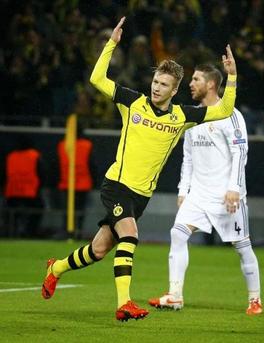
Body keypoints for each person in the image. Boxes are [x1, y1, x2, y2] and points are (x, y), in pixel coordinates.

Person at [41, 16, 238, 322]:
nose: (157, 88)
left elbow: (224, 110)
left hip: (141, 196)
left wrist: (232, 77)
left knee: (99, 249)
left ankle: (55, 269)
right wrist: (111, 44)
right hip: (116, 185)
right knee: (130, 236)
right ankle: (124, 304)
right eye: (156, 82)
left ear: (174, 91)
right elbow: (97, 79)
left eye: (164, 85)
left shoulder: (182, 116)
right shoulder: (132, 102)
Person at [148, 64, 262, 315]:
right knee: (177, 234)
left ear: (211, 84)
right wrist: (182, 190)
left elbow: (240, 151)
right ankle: (175, 295)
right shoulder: (193, 115)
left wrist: (234, 188)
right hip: (197, 195)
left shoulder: (230, 114)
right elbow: (187, 156)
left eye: (196, 79)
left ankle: (255, 300)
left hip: (226, 196)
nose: (191, 83)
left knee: (242, 247)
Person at [57, 126, 94, 239]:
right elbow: (92, 164)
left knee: (67, 211)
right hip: (83, 183)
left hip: (66, 183)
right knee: (80, 211)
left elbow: (56, 165)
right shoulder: (87, 145)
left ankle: (67, 232)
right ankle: (78, 232)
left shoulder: (62, 145)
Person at [3, 137, 44, 238]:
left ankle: (10, 233)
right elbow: (42, 173)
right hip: (30, 192)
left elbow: (4, 174)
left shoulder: (11, 156)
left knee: (12, 215)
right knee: (36, 212)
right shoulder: (34, 155)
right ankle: (30, 233)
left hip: (12, 192)